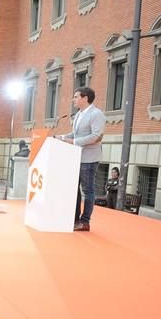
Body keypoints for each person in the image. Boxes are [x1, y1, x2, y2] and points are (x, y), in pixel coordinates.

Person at [57, 86, 105, 231]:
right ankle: (74, 218)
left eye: (76, 97)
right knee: (74, 189)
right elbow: (75, 133)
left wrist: (73, 142)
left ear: (85, 98)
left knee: (88, 191)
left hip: (89, 159)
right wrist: (62, 137)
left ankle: (85, 221)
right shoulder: (79, 114)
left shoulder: (97, 114)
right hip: (76, 158)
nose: (74, 99)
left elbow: (96, 136)